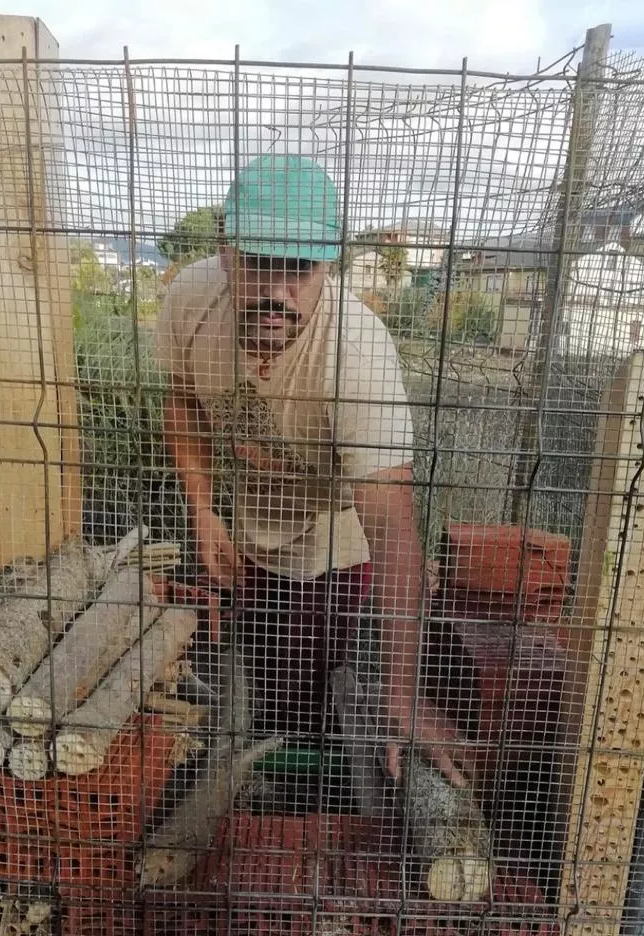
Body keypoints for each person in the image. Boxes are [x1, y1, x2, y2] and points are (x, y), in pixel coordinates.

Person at [154, 154, 469, 790]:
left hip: (334, 544)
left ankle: (295, 795)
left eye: (300, 269)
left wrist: (404, 698)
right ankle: (256, 765)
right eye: (260, 263)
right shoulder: (190, 298)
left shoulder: (358, 356)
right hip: (248, 526)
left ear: (330, 264)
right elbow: (183, 402)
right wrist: (204, 512)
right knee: (254, 657)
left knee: (308, 687)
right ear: (225, 251)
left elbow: (392, 526)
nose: (277, 291)